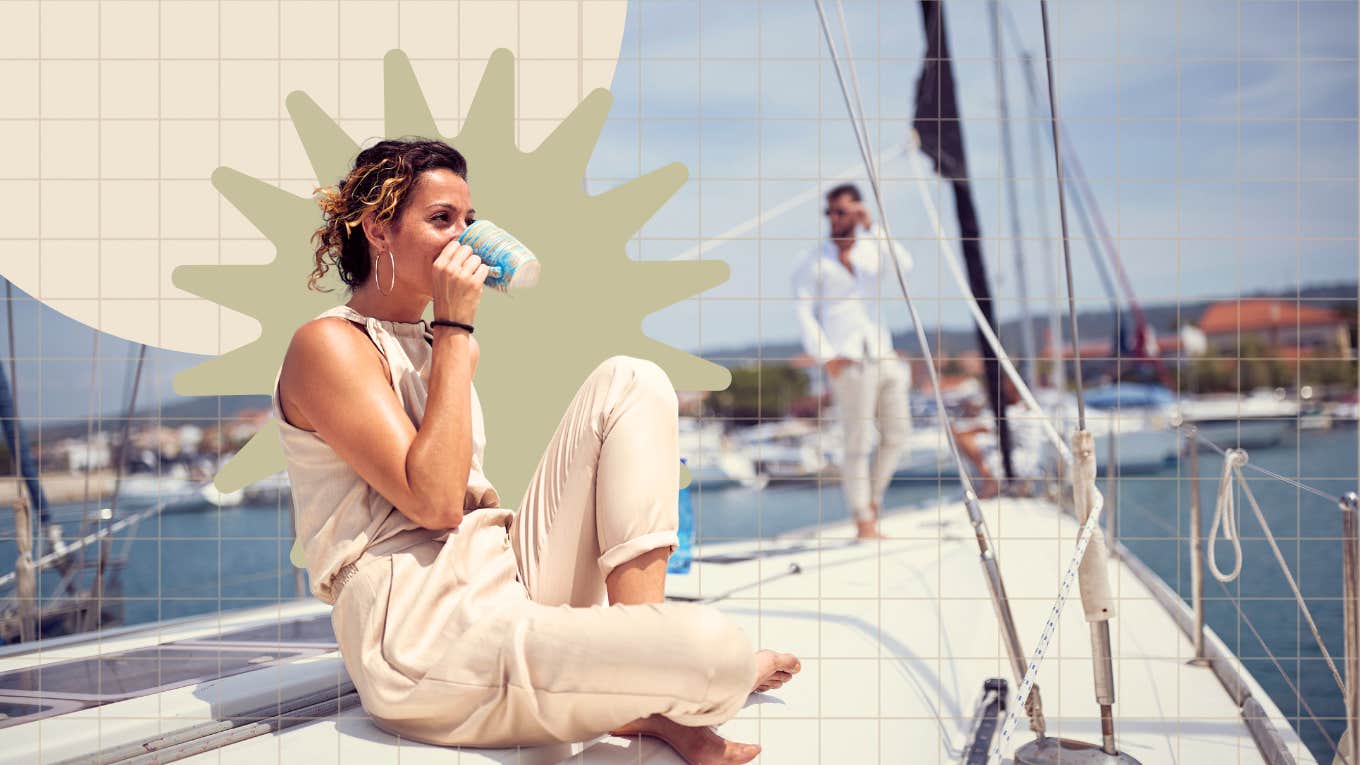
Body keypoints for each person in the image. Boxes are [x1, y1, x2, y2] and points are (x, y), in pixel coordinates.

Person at [272, 138, 799, 765]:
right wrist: (455, 330)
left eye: (469, 220)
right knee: (718, 650)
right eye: (441, 220)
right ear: (379, 230)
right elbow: (436, 504)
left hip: (503, 575)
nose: (465, 237)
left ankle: (649, 671)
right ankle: (666, 671)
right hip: (422, 634)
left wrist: (451, 340)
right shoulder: (328, 345)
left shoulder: (444, 342)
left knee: (631, 379)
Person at [791, 184, 914, 539]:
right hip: (847, 361)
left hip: (883, 353)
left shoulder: (874, 252)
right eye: (829, 212)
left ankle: (872, 500)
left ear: (856, 212)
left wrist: (873, 226)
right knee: (857, 441)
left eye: (841, 211)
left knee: (898, 433)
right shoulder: (812, 260)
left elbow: (904, 266)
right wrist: (825, 357)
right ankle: (863, 519)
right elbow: (803, 311)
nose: (833, 218)